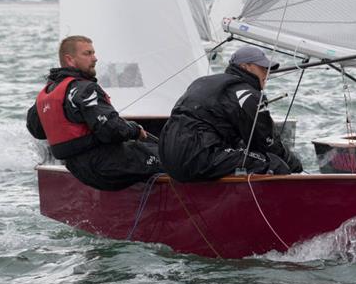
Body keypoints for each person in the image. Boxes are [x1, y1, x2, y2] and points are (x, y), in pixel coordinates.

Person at [27, 35, 162, 190]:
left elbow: (36, 130)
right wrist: (134, 130)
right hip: (104, 166)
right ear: (70, 59)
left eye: (93, 53)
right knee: (171, 158)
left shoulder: (47, 93)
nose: (95, 58)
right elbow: (111, 131)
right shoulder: (86, 89)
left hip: (78, 170)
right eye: (87, 53)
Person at [159, 46, 303, 181]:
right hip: (197, 158)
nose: (267, 73)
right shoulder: (246, 94)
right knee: (275, 163)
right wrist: (293, 163)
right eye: (262, 68)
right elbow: (266, 141)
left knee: (242, 154)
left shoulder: (203, 82)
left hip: (167, 157)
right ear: (244, 67)